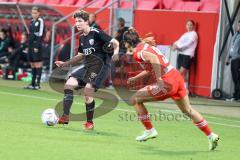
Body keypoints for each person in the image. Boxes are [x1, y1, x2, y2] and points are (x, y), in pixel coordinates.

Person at [123, 28, 219, 150]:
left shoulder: (138, 52)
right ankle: (211, 135)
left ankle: (149, 130)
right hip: (176, 77)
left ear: (128, 43)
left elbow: (154, 59)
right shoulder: (145, 46)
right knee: (188, 110)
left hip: (167, 81)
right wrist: (135, 78)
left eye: (124, 43)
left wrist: (158, 79)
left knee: (135, 99)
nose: (125, 46)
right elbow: (149, 68)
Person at [55, 10, 119, 130]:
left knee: (87, 91)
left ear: (86, 22)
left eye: (80, 21)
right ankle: (65, 117)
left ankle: (89, 123)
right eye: (76, 21)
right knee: (69, 84)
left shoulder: (96, 33)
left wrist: (115, 53)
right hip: (87, 66)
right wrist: (65, 64)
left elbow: (115, 42)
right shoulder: (82, 38)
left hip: (101, 66)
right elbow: (80, 56)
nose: (77, 24)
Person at [172, 20, 198, 91]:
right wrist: (174, 44)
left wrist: (178, 47)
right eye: (188, 25)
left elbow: (189, 43)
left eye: (191, 25)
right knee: (184, 73)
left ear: (193, 26)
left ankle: (176, 88)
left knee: (180, 72)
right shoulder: (185, 34)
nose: (189, 26)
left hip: (188, 55)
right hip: (181, 54)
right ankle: (185, 89)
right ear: (186, 26)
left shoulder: (194, 34)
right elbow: (178, 41)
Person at [25, 6, 45, 90]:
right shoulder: (31, 21)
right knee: (32, 64)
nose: (33, 14)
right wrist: (28, 45)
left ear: (39, 13)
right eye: (32, 13)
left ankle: (37, 84)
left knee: (38, 64)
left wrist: (37, 45)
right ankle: (32, 83)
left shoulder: (40, 21)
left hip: (37, 45)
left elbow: (40, 34)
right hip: (30, 45)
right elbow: (30, 34)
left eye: (35, 13)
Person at [226, 20, 240, 101]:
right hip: (233, 59)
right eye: (238, 25)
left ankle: (237, 96)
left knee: (238, 78)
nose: (239, 27)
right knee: (235, 78)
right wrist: (228, 58)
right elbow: (231, 47)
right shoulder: (235, 35)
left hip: (238, 59)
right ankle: (236, 96)